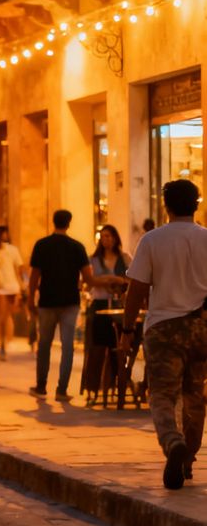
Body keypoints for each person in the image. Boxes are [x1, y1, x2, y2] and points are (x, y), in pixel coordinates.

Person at [119, 180, 207, 489]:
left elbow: (137, 290)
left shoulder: (152, 240)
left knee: (162, 394)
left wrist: (127, 329)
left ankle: (172, 442)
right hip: (200, 328)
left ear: (165, 205)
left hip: (163, 328)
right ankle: (189, 456)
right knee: (195, 394)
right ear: (196, 204)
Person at [27, 210, 92, 401]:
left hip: (47, 301)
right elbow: (87, 276)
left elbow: (34, 276)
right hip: (70, 302)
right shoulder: (77, 247)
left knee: (44, 344)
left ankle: (41, 386)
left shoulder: (42, 245)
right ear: (69, 223)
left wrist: (31, 298)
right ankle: (62, 390)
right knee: (67, 346)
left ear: (53, 222)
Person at [83, 225, 129, 402]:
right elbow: (87, 282)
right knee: (96, 347)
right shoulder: (93, 260)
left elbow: (131, 280)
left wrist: (117, 280)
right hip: (100, 304)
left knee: (116, 349)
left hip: (118, 305)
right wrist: (106, 280)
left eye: (109, 236)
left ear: (115, 238)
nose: (106, 239)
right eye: (103, 236)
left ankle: (116, 384)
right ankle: (93, 388)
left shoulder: (124, 258)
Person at [0, 226, 23, 359]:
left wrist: (21, 287)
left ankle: (4, 344)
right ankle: (2, 345)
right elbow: (19, 269)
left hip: (10, 287)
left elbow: (18, 270)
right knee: (3, 317)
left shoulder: (10, 250)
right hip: (3, 287)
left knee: (6, 317)